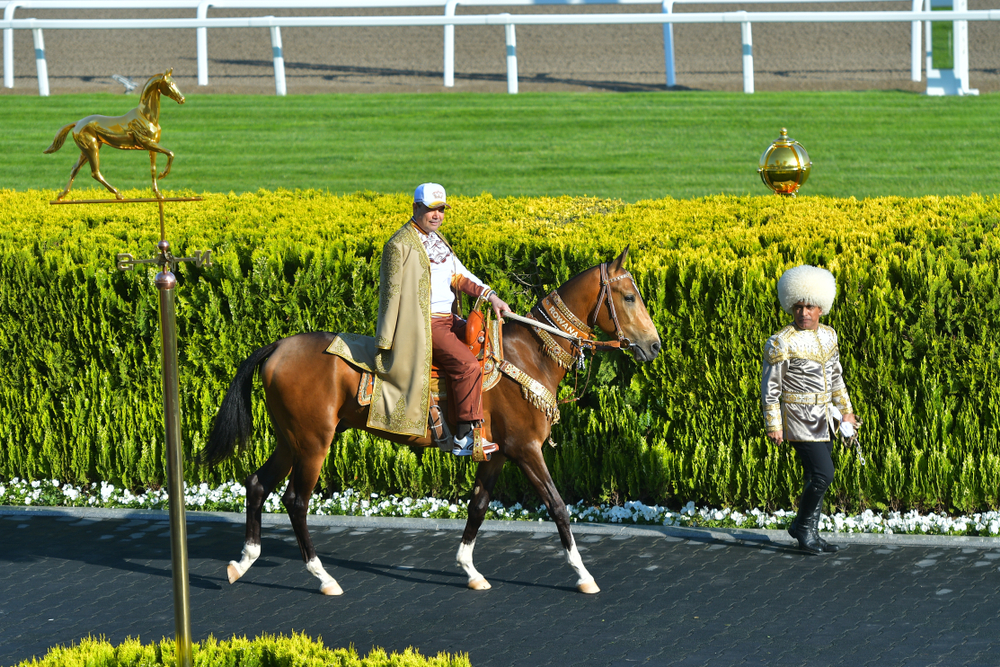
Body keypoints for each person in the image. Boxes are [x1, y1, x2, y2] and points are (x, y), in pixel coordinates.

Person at [370, 183, 511, 456]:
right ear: (416, 208)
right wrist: (387, 341)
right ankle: (463, 437)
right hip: (424, 326)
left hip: (448, 318)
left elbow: (459, 276)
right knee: (468, 366)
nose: (437, 215)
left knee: (490, 349)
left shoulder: (438, 239)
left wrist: (491, 296)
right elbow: (390, 295)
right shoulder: (398, 245)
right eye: (431, 209)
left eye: (441, 210)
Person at [760, 265, 857, 555]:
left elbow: (837, 378)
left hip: (826, 419)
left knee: (815, 476)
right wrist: (773, 425)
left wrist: (847, 412)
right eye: (799, 306)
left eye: (810, 306)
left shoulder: (829, 336)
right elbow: (770, 388)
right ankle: (803, 527)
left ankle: (809, 532)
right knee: (824, 474)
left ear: (821, 308)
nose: (804, 312)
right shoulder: (781, 342)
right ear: (791, 306)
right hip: (798, 420)